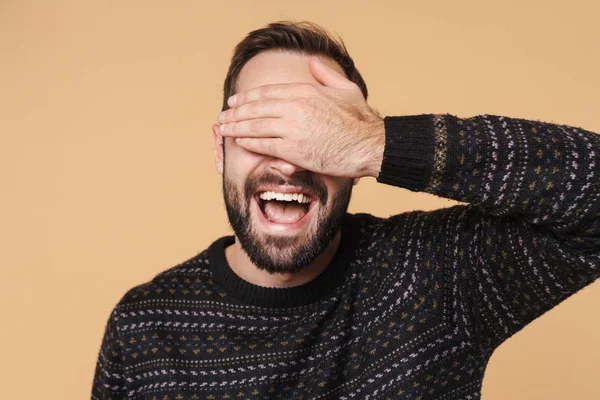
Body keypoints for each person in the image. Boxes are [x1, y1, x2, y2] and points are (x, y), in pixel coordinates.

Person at [92, 21, 600, 400]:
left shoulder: (433, 279)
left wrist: (381, 142)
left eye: (315, 133)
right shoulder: (145, 329)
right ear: (220, 149)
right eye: (262, 128)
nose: (290, 165)